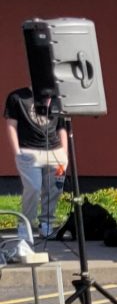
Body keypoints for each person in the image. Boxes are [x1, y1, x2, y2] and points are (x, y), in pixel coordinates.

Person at [4, 85, 66, 254]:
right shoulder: (17, 97)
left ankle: (47, 224)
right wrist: (17, 152)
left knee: (54, 189)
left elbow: (61, 127)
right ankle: (25, 226)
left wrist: (64, 154)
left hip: (54, 150)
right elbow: (11, 125)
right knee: (33, 187)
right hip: (28, 150)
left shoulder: (57, 98)